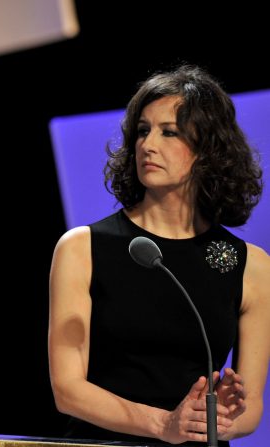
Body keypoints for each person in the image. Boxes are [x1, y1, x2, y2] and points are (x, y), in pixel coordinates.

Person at [48, 65, 270, 446]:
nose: (148, 144)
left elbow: (251, 410)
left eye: (169, 132)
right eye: (143, 130)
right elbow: (67, 389)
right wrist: (163, 424)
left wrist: (227, 418)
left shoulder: (252, 265)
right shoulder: (82, 247)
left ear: (208, 150)